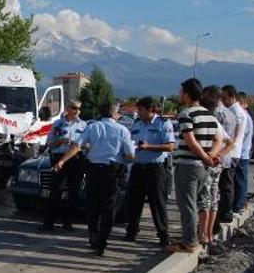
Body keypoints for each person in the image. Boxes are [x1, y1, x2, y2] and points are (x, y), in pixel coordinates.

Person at [54, 103, 135, 255]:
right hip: (112, 172)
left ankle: (93, 236)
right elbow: (131, 155)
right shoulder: (123, 130)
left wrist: (62, 160)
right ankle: (102, 242)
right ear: (115, 114)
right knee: (108, 207)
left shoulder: (92, 127)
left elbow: (77, 145)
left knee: (93, 205)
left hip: (93, 171)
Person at [170, 78, 220, 253]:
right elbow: (217, 140)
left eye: (181, 91)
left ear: (187, 94)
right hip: (202, 167)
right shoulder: (209, 115)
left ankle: (189, 242)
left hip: (188, 165)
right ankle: (189, 237)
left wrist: (205, 157)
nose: (179, 94)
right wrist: (210, 156)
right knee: (195, 203)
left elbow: (190, 141)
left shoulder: (186, 114)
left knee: (187, 204)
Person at [123, 97, 175, 247]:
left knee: (157, 203)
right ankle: (131, 231)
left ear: (150, 110)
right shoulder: (137, 124)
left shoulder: (163, 123)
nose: (138, 112)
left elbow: (170, 146)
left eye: (141, 110)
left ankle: (163, 234)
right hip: (138, 167)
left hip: (155, 168)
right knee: (134, 201)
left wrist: (149, 146)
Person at [40, 100, 87, 232]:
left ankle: (68, 223)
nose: (77, 111)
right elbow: (49, 143)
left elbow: (88, 145)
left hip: (76, 159)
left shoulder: (84, 125)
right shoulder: (58, 124)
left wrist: (78, 145)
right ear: (67, 108)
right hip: (59, 157)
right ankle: (48, 223)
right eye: (74, 108)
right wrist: (60, 141)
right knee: (55, 190)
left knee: (73, 191)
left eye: (79, 109)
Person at [198, 86, 235, 251]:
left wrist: (211, 155)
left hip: (207, 163)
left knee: (205, 200)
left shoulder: (210, 117)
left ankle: (203, 234)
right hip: (218, 164)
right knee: (213, 199)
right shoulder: (229, 113)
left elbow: (218, 140)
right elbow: (230, 142)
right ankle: (209, 234)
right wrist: (219, 155)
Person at [220, 85, 249, 216]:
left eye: (224, 97)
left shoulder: (234, 112)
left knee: (226, 184)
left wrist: (223, 152)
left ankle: (226, 212)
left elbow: (233, 135)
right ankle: (227, 211)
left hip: (230, 153)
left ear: (232, 96)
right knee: (228, 183)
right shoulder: (238, 111)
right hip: (233, 151)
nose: (222, 100)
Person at [212, 86, 238, 223]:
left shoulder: (217, 113)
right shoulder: (230, 113)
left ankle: (219, 217)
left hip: (217, 154)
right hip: (227, 154)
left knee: (215, 190)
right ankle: (226, 213)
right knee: (226, 187)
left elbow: (217, 135)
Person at [236, 92, 254, 213]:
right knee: (240, 180)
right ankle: (240, 203)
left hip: (241, 154)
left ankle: (239, 205)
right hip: (243, 153)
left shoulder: (245, 117)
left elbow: (240, 137)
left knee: (240, 181)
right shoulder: (247, 116)